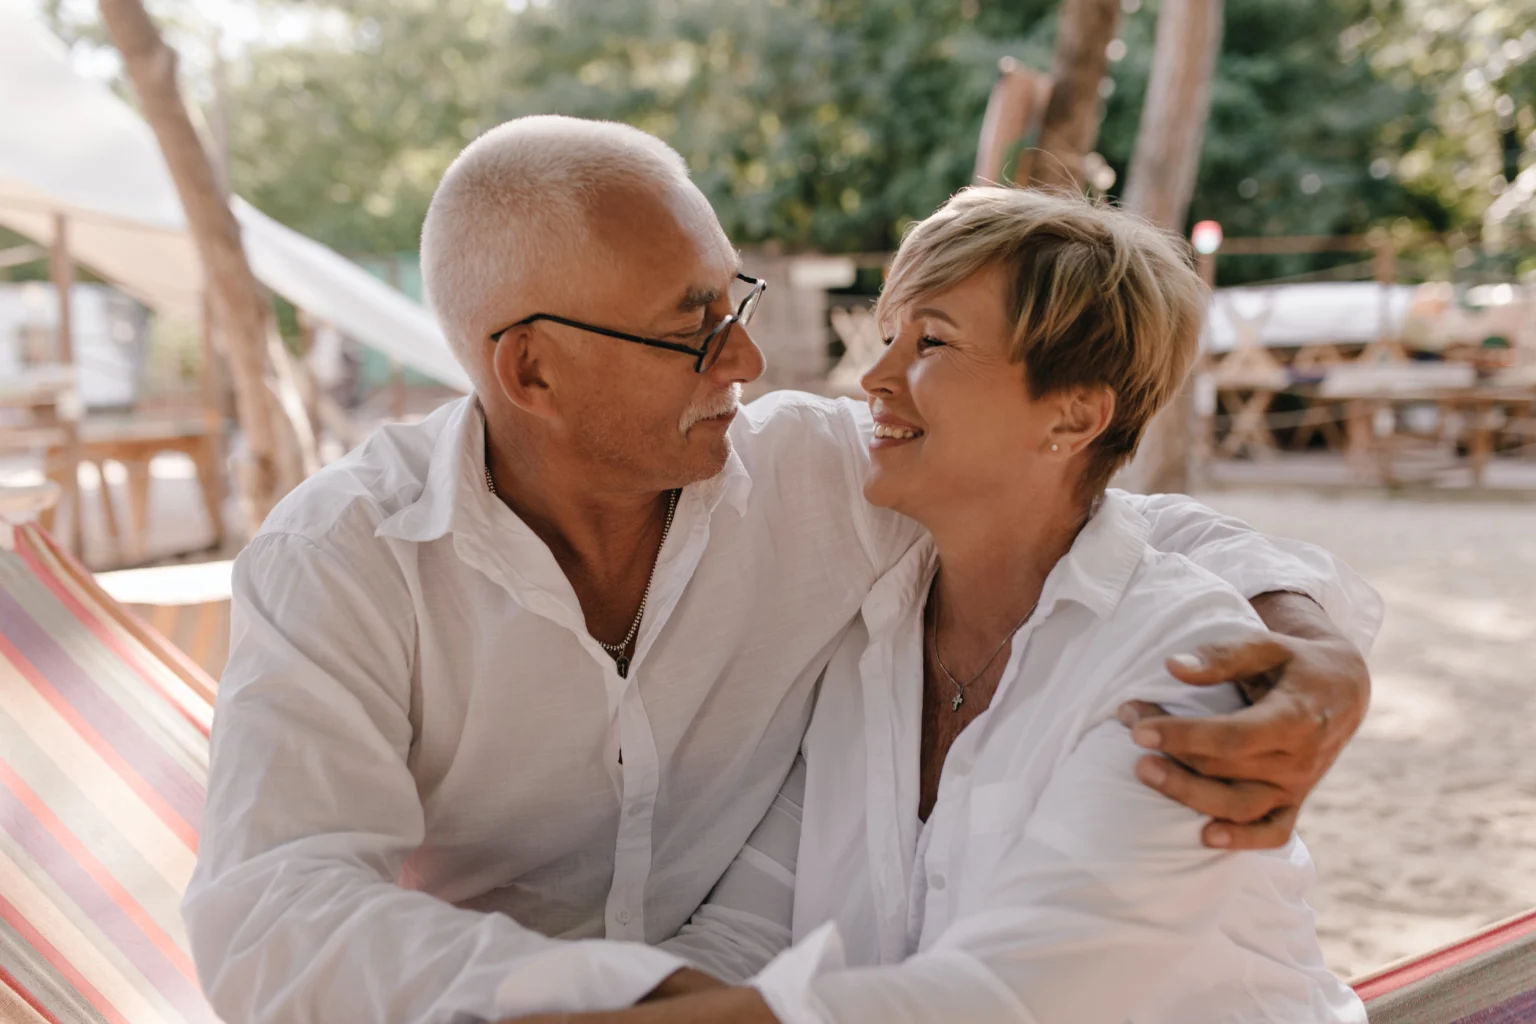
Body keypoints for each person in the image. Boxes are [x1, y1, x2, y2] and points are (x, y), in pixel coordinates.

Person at [183, 118, 1378, 1024]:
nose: (751, 357)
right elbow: (272, 911)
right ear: (531, 372)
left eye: (734, 297)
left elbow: (1089, 516)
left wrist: (1307, 632)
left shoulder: (809, 481)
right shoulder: (344, 562)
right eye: (695, 324)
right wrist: (638, 998)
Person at [509, 188, 1373, 1024]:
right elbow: (752, 929)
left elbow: (1013, 1001)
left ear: (1072, 417)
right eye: (888, 336)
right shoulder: (868, 641)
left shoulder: (1188, 664)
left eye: (932, 343)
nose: (875, 378)